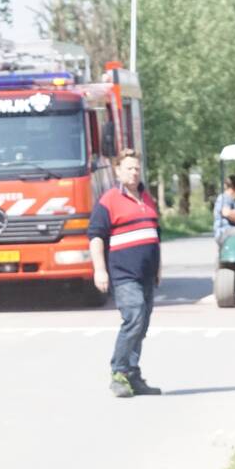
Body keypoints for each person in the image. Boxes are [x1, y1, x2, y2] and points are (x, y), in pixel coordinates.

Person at [87, 148, 162, 398]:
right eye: (129, 168)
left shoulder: (147, 198)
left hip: (147, 274)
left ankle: (133, 375)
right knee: (134, 317)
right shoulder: (109, 200)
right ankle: (118, 373)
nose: (134, 172)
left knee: (142, 325)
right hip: (124, 273)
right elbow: (96, 236)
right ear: (117, 171)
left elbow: (155, 233)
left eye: (137, 168)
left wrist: (159, 268)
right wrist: (99, 269)